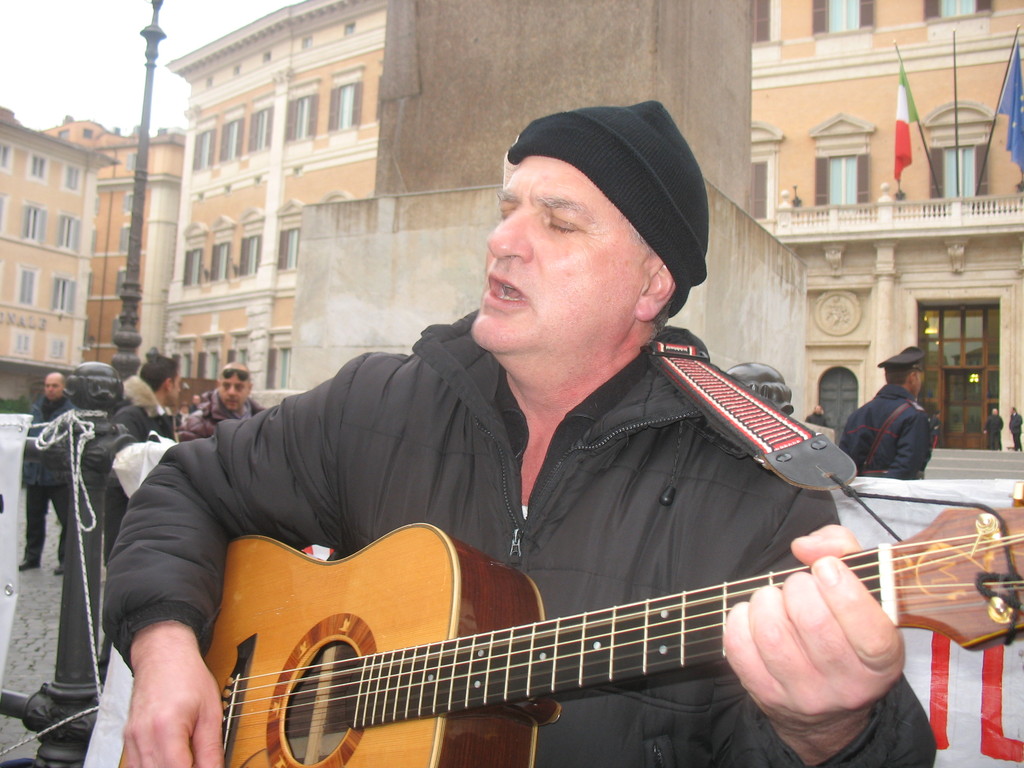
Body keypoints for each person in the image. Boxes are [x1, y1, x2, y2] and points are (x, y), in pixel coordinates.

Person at [104, 102, 933, 767]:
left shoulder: (757, 489)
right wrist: (165, 644)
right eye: (508, 211)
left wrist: (827, 736)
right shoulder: (378, 401)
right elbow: (186, 487)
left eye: (558, 222)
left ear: (651, 284)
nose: (503, 241)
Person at [105, 354, 181, 563]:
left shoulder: (157, 415)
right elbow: (124, 464)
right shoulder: (130, 415)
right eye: (178, 384)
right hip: (128, 517)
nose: (179, 389)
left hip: (144, 517)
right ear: (168, 384)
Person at [838, 347, 931, 480]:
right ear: (913, 377)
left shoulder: (859, 414)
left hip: (859, 495)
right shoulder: (914, 415)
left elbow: (844, 464)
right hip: (892, 496)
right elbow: (907, 468)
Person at [21, 372, 74, 575]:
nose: (50, 389)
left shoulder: (70, 411)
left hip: (59, 476)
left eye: (54, 386)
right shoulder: (36, 407)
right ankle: (31, 557)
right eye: (47, 385)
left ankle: (64, 559)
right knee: (33, 518)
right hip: (35, 473)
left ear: (63, 388)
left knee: (66, 520)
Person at [178, 363, 263, 442]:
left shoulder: (263, 423)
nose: (231, 392)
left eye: (239, 387)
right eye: (226, 386)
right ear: (218, 385)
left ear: (249, 388)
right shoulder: (197, 424)